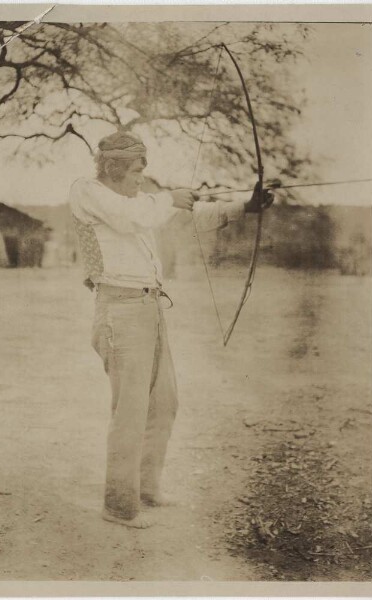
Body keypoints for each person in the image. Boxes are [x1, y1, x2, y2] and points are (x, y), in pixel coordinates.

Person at [69, 131, 273, 528]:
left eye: (143, 171)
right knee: (130, 410)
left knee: (164, 403)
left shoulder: (140, 202)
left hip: (149, 308)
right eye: (135, 171)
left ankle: (146, 488)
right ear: (112, 168)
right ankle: (119, 505)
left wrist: (245, 207)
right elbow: (139, 215)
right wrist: (169, 199)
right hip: (119, 310)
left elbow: (187, 215)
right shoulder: (88, 192)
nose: (141, 178)